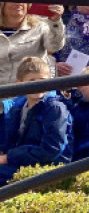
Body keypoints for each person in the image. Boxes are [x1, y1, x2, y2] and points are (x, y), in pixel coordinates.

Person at [0, 57, 73, 185]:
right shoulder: (17, 106)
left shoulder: (54, 108)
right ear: (19, 83)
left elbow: (52, 150)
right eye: (32, 81)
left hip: (49, 166)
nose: (37, 85)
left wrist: (9, 157)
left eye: (42, 81)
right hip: (25, 161)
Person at [0, 0, 65, 85]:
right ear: (2, 5)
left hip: (32, 91)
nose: (18, 3)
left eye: (22, 0)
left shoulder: (40, 26)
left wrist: (55, 21)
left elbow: (54, 46)